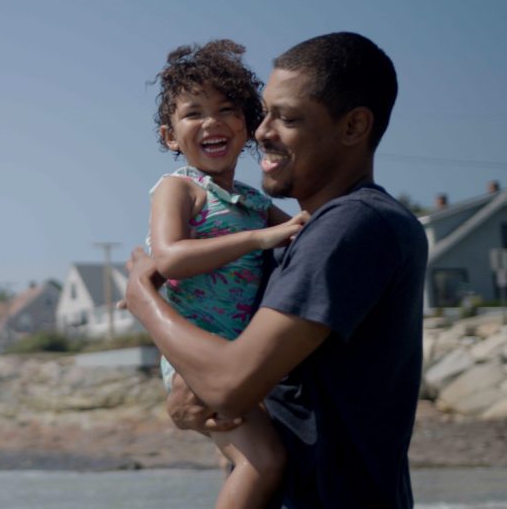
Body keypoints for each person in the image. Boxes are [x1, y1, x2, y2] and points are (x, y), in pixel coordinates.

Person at [125, 32, 427, 508]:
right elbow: (285, 385)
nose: (263, 131)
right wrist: (195, 401)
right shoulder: (306, 233)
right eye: (263, 112)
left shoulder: (351, 227)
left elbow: (228, 384)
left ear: (354, 127)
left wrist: (143, 299)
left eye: (285, 117)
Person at [144, 39, 308, 509]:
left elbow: (306, 235)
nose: (211, 122)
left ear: (249, 126)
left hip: (244, 362)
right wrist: (257, 240)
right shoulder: (179, 189)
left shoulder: (254, 203)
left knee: (247, 462)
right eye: (194, 114)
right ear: (170, 137)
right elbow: (171, 257)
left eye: (226, 109)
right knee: (264, 462)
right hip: (196, 360)